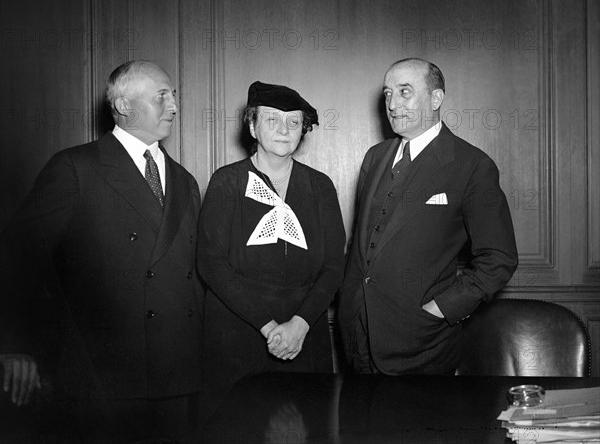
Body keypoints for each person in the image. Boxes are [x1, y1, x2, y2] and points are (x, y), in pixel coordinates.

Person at [0, 60, 203, 442]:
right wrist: (16, 346)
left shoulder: (185, 181)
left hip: (178, 378)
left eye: (174, 95)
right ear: (124, 106)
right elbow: (17, 259)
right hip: (101, 379)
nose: (174, 105)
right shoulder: (75, 168)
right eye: (162, 95)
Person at [338, 58, 518, 375]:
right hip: (357, 338)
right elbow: (363, 243)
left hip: (421, 345)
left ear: (436, 99)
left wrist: (442, 309)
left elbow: (499, 257)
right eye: (388, 93)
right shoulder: (375, 157)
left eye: (405, 92)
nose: (393, 104)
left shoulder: (471, 165)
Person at [197, 81, 345, 421]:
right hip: (237, 335)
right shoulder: (226, 183)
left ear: (303, 130)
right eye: (272, 120)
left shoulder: (320, 187)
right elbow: (211, 263)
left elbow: (334, 266)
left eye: (293, 122)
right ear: (251, 125)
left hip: (305, 336)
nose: (283, 129)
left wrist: (300, 324)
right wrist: (268, 327)